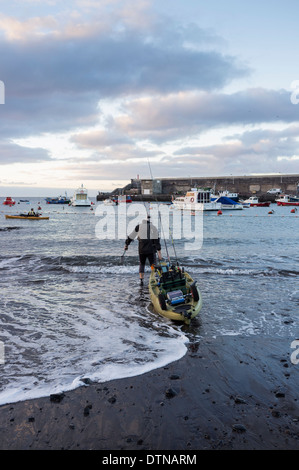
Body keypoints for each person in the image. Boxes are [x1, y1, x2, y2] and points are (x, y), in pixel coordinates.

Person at [124, 216, 162, 285]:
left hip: (141, 250)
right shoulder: (153, 227)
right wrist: (159, 252)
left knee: (142, 264)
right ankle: (155, 279)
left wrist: (126, 244)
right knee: (153, 264)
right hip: (151, 250)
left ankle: (141, 280)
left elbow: (131, 236)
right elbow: (157, 241)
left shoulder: (138, 227)